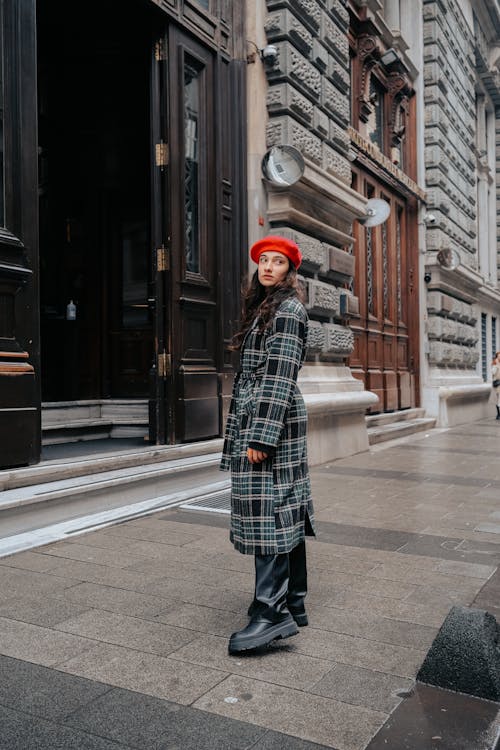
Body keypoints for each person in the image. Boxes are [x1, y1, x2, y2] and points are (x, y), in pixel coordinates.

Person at [220, 235, 315, 655]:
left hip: (270, 422)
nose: (269, 267)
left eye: (278, 262)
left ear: (289, 270)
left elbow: (279, 376)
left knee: (270, 514)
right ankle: (291, 599)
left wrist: (261, 435)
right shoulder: (265, 309)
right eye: (263, 260)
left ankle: (271, 611)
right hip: (261, 417)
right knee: (282, 506)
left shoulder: (288, 309)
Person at [492, 351, 500, 420]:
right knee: (498, 399)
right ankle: (498, 414)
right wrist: (497, 365)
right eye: (498, 356)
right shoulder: (495, 365)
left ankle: (498, 414)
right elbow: (493, 373)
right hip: (498, 384)